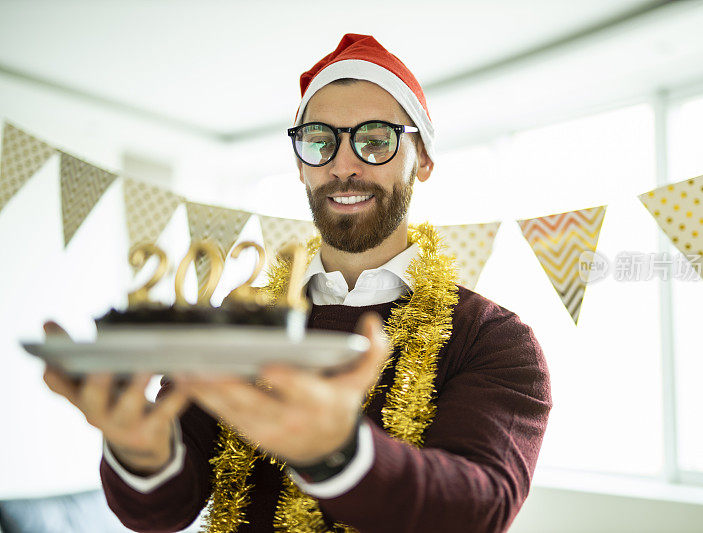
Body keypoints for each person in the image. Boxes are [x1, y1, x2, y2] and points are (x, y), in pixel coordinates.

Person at [42, 33, 553, 532]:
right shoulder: (233, 324)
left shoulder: (494, 340)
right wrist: (141, 453)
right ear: (299, 163)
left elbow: (480, 510)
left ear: (421, 159)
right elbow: (162, 512)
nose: (344, 165)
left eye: (376, 140)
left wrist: (339, 452)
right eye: (319, 142)